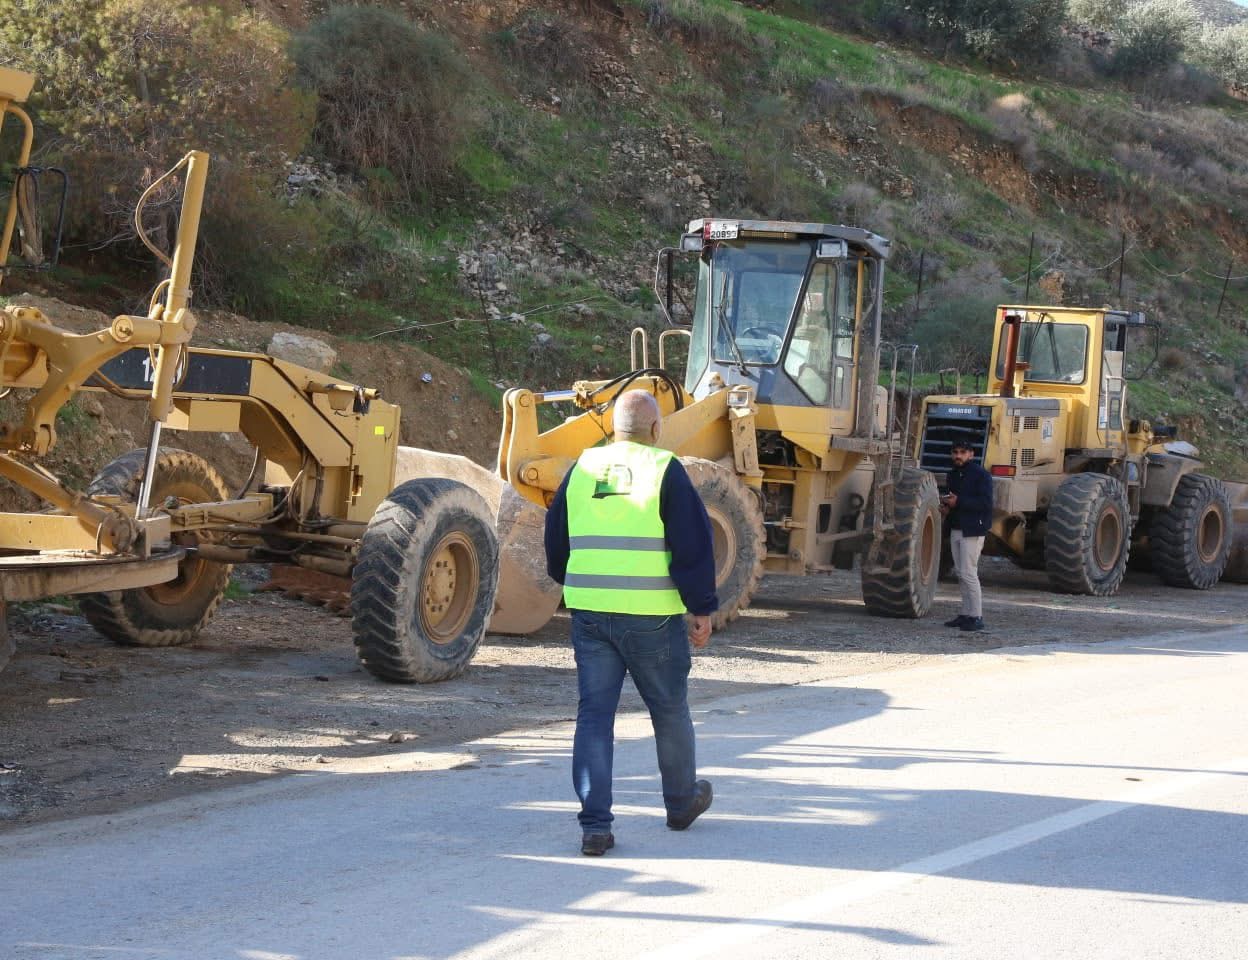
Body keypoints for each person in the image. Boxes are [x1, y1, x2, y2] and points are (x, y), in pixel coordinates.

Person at [544, 390, 719, 856]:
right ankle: (680, 803)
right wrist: (700, 608)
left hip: (590, 613)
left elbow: (555, 539)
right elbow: (693, 546)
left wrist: (576, 581)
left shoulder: (582, 468)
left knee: (595, 718)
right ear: (656, 429)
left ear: (612, 428)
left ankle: (595, 826)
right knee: (668, 709)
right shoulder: (665, 469)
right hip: (651, 618)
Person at [940, 440, 993, 633]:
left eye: (963, 452)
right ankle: (965, 614)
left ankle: (977, 616)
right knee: (961, 574)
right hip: (956, 528)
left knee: (969, 573)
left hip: (973, 530)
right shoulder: (953, 475)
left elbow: (986, 504)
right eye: (955, 452)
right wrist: (946, 507)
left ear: (971, 454)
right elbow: (954, 501)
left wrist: (959, 502)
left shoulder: (981, 475)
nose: (958, 456)